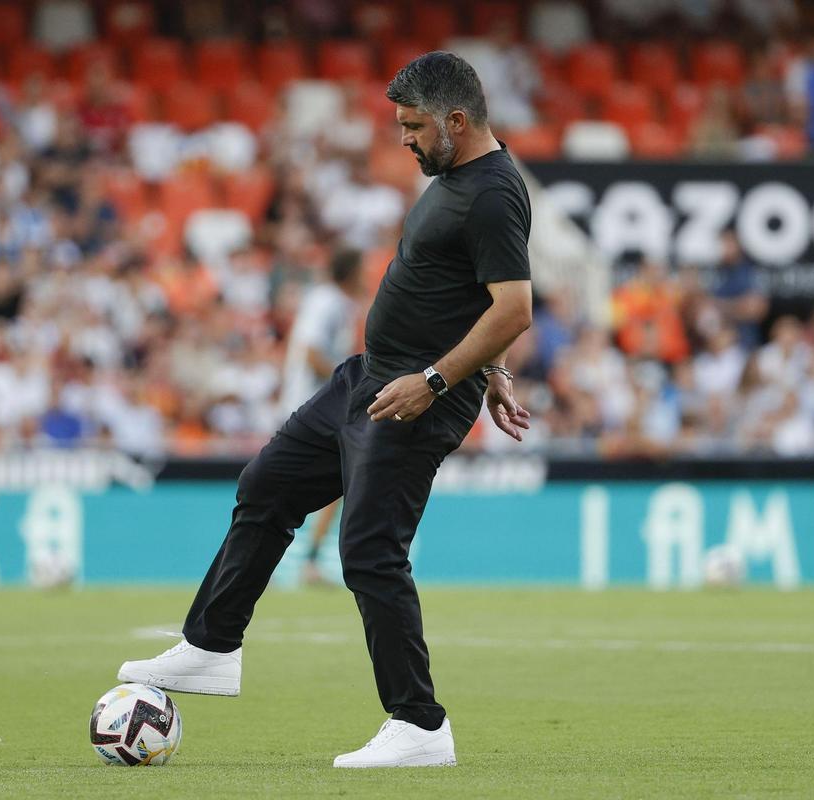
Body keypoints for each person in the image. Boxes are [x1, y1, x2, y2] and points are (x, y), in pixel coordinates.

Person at [118, 52, 533, 768]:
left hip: (413, 399)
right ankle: (212, 646)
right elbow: (467, 291)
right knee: (267, 486)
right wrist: (488, 369)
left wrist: (439, 381)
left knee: (370, 553)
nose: (403, 139)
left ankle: (420, 726)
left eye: (412, 126)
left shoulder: (492, 192)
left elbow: (515, 307)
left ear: (456, 122)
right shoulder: (456, 179)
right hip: (369, 378)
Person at [279, 248, 364, 585]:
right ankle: (296, 559)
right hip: (310, 405)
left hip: (323, 405)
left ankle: (308, 560)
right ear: (349, 271)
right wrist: (348, 384)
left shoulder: (339, 303)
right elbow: (310, 351)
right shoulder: (325, 301)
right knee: (308, 485)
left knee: (340, 481)